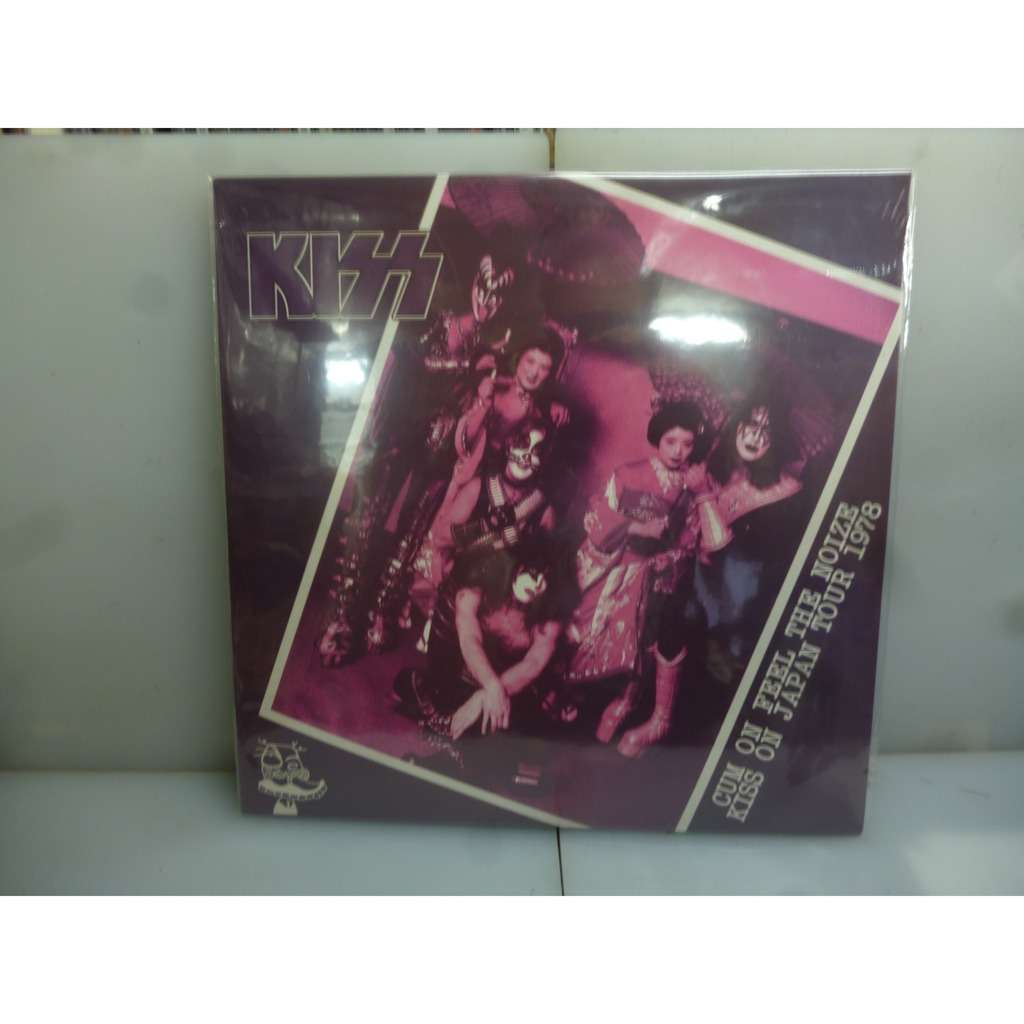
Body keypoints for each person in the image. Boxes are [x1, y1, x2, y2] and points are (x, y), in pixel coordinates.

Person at [318, 253, 518, 665]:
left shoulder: (489, 345)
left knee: (412, 531)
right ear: (473, 285)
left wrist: (489, 376)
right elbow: (409, 359)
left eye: (500, 297)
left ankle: (381, 611)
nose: (490, 302)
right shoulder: (439, 321)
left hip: (440, 449)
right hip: (399, 433)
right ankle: (341, 618)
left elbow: (483, 400)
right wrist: (469, 363)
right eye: (486, 290)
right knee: (366, 519)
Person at [566, 401, 711, 757]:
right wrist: (636, 527)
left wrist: (670, 555)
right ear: (657, 439)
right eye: (671, 442)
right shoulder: (628, 474)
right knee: (584, 626)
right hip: (616, 564)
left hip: (659, 573)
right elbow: (598, 515)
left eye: (687, 444)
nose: (678, 452)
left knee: (646, 635)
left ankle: (627, 699)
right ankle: (574, 694)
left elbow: (693, 539)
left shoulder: (693, 485)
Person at [394, 540, 574, 742]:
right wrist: (492, 685)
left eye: (545, 580)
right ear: (518, 566)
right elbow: (469, 637)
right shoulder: (481, 577)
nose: (538, 583)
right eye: (533, 573)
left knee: (504, 730)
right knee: (427, 692)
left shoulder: (551, 612)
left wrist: (488, 693)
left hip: (503, 676)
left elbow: (534, 662)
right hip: (457, 657)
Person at [691, 389, 806, 684]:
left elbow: (736, 558)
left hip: (734, 603)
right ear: (737, 423)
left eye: (767, 430)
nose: (756, 436)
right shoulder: (710, 459)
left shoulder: (782, 492)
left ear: (776, 440)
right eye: (752, 424)